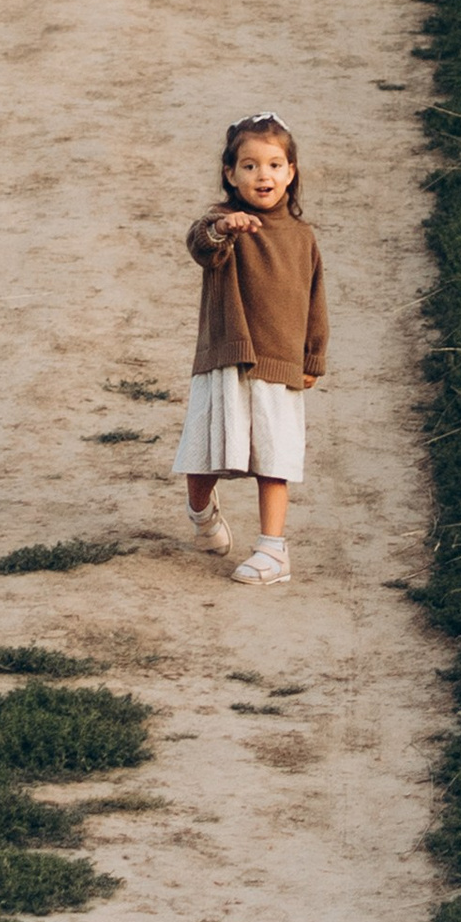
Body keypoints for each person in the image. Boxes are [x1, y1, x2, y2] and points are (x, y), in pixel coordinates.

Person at [172, 114, 329, 587]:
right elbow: (201, 245)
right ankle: (202, 514)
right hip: (225, 358)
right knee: (203, 457)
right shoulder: (222, 225)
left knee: (273, 461)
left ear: (291, 172)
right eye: (250, 165)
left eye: (275, 165)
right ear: (230, 174)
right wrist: (225, 229)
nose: (264, 176)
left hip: (278, 363)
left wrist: (313, 356)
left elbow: (314, 299)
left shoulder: (302, 238)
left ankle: (273, 550)